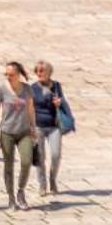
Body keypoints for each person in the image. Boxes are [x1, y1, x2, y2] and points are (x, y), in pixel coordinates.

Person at [0, 61, 37, 210]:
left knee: (26, 161)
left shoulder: (27, 89)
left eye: (11, 75)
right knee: (9, 165)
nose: (8, 77)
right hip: (7, 132)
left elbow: (30, 109)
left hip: (24, 131)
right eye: (6, 74)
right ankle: (11, 198)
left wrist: (33, 127)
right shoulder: (1, 88)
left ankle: (21, 191)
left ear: (18, 75)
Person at [30, 61, 72, 197]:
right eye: (37, 71)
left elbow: (63, 102)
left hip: (54, 126)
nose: (39, 73)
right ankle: (42, 184)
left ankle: (53, 179)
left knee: (56, 154)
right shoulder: (32, 88)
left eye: (42, 71)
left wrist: (59, 103)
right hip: (38, 126)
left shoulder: (56, 86)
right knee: (40, 157)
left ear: (49, 72)